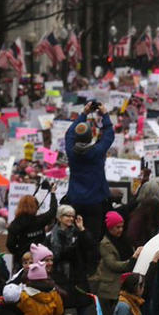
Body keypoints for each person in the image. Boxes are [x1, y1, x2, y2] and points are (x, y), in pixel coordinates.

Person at [64, 101, 115, 242]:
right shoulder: (97, 152)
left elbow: (69, 134)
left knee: (75, 238)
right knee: (93, 238)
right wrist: (105, 114)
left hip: (76, 200)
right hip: (95, 202)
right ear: (90, 137)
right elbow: (109, 135)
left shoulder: (71, 151)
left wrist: (84, 113)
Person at [49, 205, 97, 315]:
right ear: (59, 218)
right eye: (66, 215)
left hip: (77, 278)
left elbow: (91, 247)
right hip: (60, 278)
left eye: (72, 216)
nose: (70, 218)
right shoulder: (51, 235)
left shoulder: (78, 234)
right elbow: (52, 256)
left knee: (82, 313)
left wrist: (82, 229)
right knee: (59, 313)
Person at [91, 212, 142, 315]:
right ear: (110, 227)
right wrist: (132, 259)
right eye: (117, 227)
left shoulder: (124, 241)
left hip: (123, 287)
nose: (120, 230)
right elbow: (113, 265)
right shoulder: (105, 244)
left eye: (122, 227)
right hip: (110, 289)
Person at [7, 197, 54, 270]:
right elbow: (52, 211)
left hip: (23, 261)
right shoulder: (40, 220)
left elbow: (10, 244)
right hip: (41, 259)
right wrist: (53, 194)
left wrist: (19, 252)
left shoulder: (15, 224)